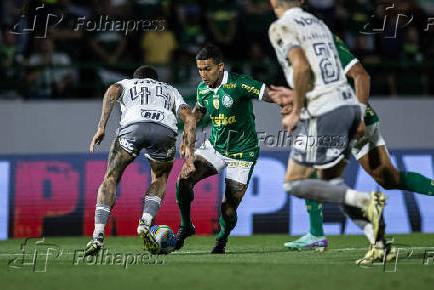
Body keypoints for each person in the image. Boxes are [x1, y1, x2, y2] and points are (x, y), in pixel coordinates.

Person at [270, 34, 434, 262]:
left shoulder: (322, 44)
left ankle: (329, 231)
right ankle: (373, 241)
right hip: (348, 119)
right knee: (389, 179)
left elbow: (360, 74)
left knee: (310, 178)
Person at [268, 0, 388, 264]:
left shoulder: (281, 26)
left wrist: (297, 108)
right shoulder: (319, 24)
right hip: (348, 105)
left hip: (324, 111)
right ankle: (378, 243)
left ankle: (365, 199)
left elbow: (301, 66)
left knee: (293, 182)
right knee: (332, 183)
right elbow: (325, 71)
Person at [175, 44, 281, 254]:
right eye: (200, 69)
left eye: (208, 69)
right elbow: (197, 114)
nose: (203, 74)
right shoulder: (202, 89)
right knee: (183, 180)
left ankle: (222, 238)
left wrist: (291, 103)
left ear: (221, 66)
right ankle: (186, 226)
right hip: (216, 147)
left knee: (229, 207)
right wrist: (187, 139)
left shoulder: (238, 84)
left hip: (243, 152)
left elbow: (269, 94)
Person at [84, 65, 196, 256]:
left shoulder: (127, 84)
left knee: (111, 177)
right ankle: (145, 221)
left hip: (132, 128)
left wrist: (101, 127)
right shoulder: (170, 90)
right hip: (164, 131)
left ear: (136, 77)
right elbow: (190, 117)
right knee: (159, 178)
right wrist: (187, 145)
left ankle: (98, 235)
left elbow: (111, 91)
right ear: (156, 79)